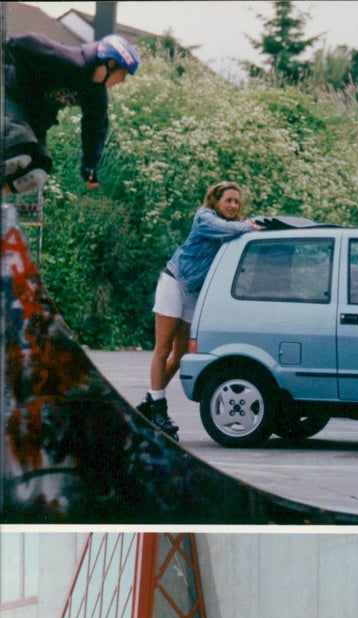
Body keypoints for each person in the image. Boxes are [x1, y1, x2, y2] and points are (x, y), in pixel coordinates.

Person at [137, 181, 259, 440]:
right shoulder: (205, 217)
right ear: (215, 201)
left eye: (237, 202)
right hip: (175, 281)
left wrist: (254, 225)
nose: (233, 206)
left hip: (194, 292)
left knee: (182, 354)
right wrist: (247, 225)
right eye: (229, 200)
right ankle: (159, 409)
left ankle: (151, 400)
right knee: (163, 349)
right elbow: (226, 228)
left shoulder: (233, 227)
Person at [3, 32, 140, 195]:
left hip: (33, 120)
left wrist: (89, 168)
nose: (123, 80)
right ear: (111, 63)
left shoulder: (96, 95)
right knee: (20, 150)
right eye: (123, 74)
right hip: (9, 97)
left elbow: (95, 130)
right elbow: (26, 42)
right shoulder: (69, 60)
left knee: (38, 170)